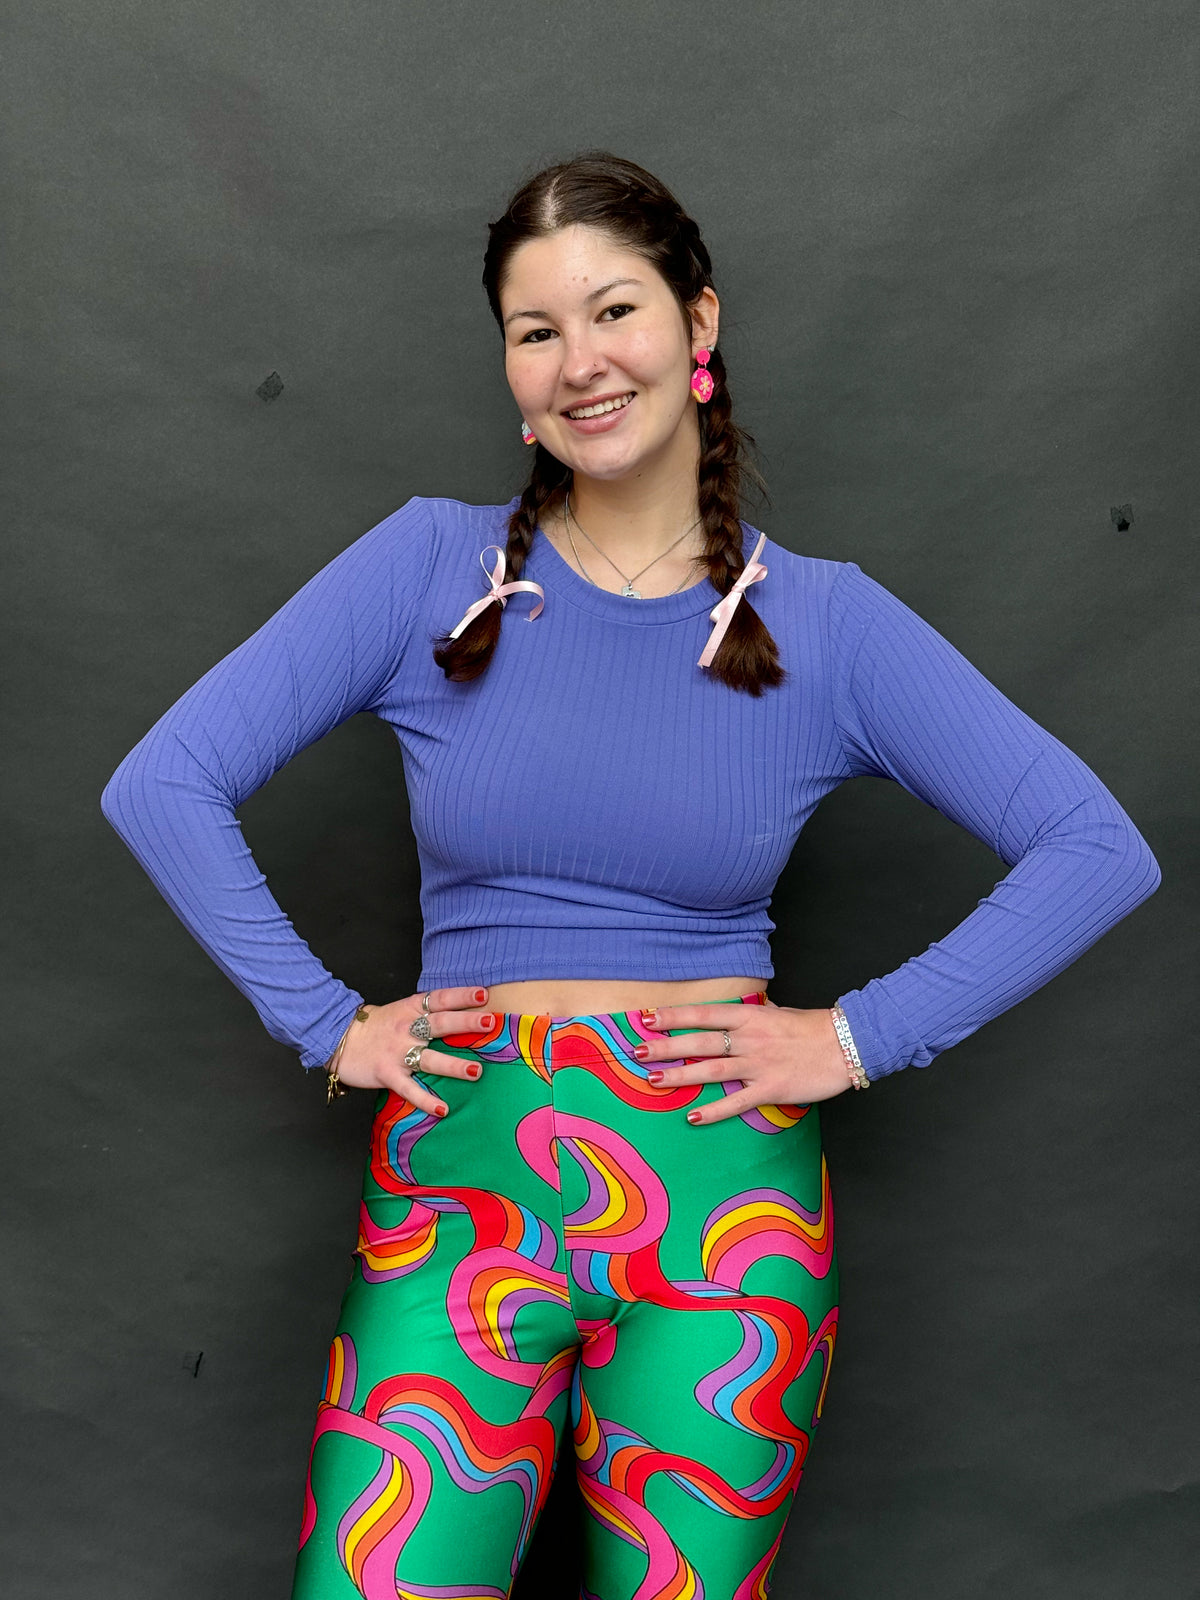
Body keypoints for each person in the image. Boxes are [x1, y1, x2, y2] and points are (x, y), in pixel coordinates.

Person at [99, 151, 1161, 1600]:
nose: (581, 363)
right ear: (511, 371)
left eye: (615, 312)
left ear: (697, 322)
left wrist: (857, 1037)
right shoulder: (425, 570)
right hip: (459, 1198)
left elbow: (1096, 846)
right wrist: (329, 1025)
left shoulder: (828, 626)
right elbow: (162, 780)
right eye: (537, 332)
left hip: (723, 1221)